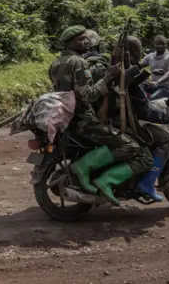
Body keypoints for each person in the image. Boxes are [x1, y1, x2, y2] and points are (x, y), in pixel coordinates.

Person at [48, 25, 154, 207]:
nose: (86, 41)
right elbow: (86, 95)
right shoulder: (79, 62)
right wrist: (107, 77)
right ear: (70, 42)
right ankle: (96, 174)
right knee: (133, 147)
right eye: (81, 39)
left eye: (86, 38)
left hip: (68, 119)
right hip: (84, 120)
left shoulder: (55, 63)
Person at [98, 35, 169, 202]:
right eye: (139, 52)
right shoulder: (129, 73)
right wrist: (167, 115)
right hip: (125, 124)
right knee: (166, 139)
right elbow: (145, 111)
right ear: (133, 52)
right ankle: (148, 183)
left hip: (110, 120)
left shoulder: (110, 67)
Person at [140, 35, 169, 100]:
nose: (161, 46)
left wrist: (157, 82)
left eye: (163, 44)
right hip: (152, 85)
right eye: (158, 44)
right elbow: (139, 65)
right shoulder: (151, 56)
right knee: (136, 95)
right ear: (154, 45)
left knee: (151, 100)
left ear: (166, 45)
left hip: (166, 87)